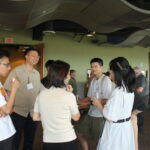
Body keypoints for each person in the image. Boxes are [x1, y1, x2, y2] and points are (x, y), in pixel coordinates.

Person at [33, 60, 80, 150]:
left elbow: (35, 117)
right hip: (68, 139)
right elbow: (76, 117)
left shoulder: (41, 94)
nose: (69, 76)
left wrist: (49, 117)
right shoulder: (69, 95)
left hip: (48, 140)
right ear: (64, 76)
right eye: (68, 73)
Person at [92, 57, 136, 150]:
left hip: (116, 130)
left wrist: (98, 104)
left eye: (110, 69)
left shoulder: (118, 92)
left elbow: (109, 118)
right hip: (125, 127)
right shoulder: (128, 88)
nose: (109, 72)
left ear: (116, 72)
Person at [4, 47, 41, 150]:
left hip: (32, 112)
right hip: (18, 112)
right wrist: (9, 107)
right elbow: (9, 90)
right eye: (32, 56)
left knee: (30, 139)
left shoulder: (37, 73)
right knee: (16, 138)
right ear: (26, 56)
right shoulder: (17, 71)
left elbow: (37, 91)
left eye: (37, 56)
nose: (35, 58)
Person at [77, 58, 112, 150]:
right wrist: (79, 101)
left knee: (99, 140)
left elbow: (107, 99)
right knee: (80, 134)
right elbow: (89, 97)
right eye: (92, 67)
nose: (93, 69)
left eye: (96, 66)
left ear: (101, 67)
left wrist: (92, 102)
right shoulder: (93, 80)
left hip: (100, 115)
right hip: (90, 113)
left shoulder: (106, 80)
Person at [0, 49, 20, 150]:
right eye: (6, 64)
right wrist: (14, 89)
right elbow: (7, 109)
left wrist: (7, 108)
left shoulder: (0, 84)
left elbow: (10, 108)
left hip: (6, 130)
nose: (9, 68)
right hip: (2, 135)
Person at [131, 67, 149, 150]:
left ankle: (140, 131)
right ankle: (137, 129)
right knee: (137, 114)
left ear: (137, 73)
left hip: (142, 98)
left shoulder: (142, 78)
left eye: (134, 73)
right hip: (138, 97)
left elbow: (140, 90)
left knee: (140, 114)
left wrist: (130, 92)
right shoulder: (137, 77)